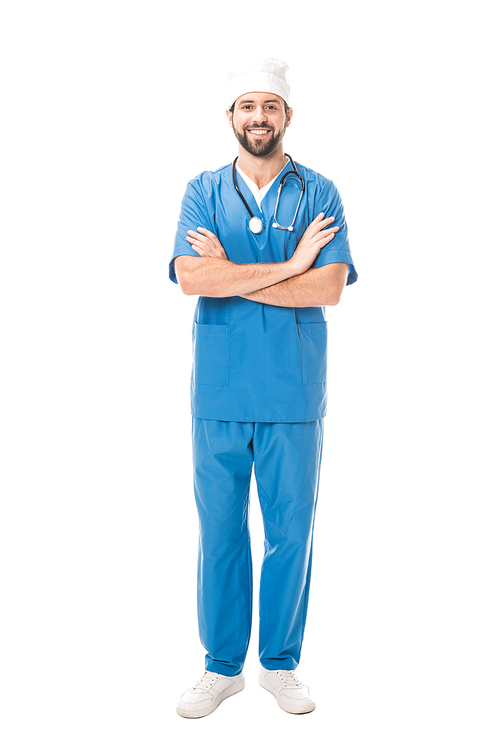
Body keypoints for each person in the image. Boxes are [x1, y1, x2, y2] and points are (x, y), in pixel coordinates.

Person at [169, 58, 357, 718]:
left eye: (269, 106)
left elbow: (329, 287)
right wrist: (292, 265)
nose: (258, 117)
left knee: (289, 532)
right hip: (219, 394)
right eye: (246, 106)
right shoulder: (201, 191)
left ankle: (279, 664)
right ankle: (222, 668)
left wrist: (239, 273)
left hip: (292, 395)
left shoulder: (319, 193)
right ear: (230, 117)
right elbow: (192, 277)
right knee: (219, 533)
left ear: (287, 117)